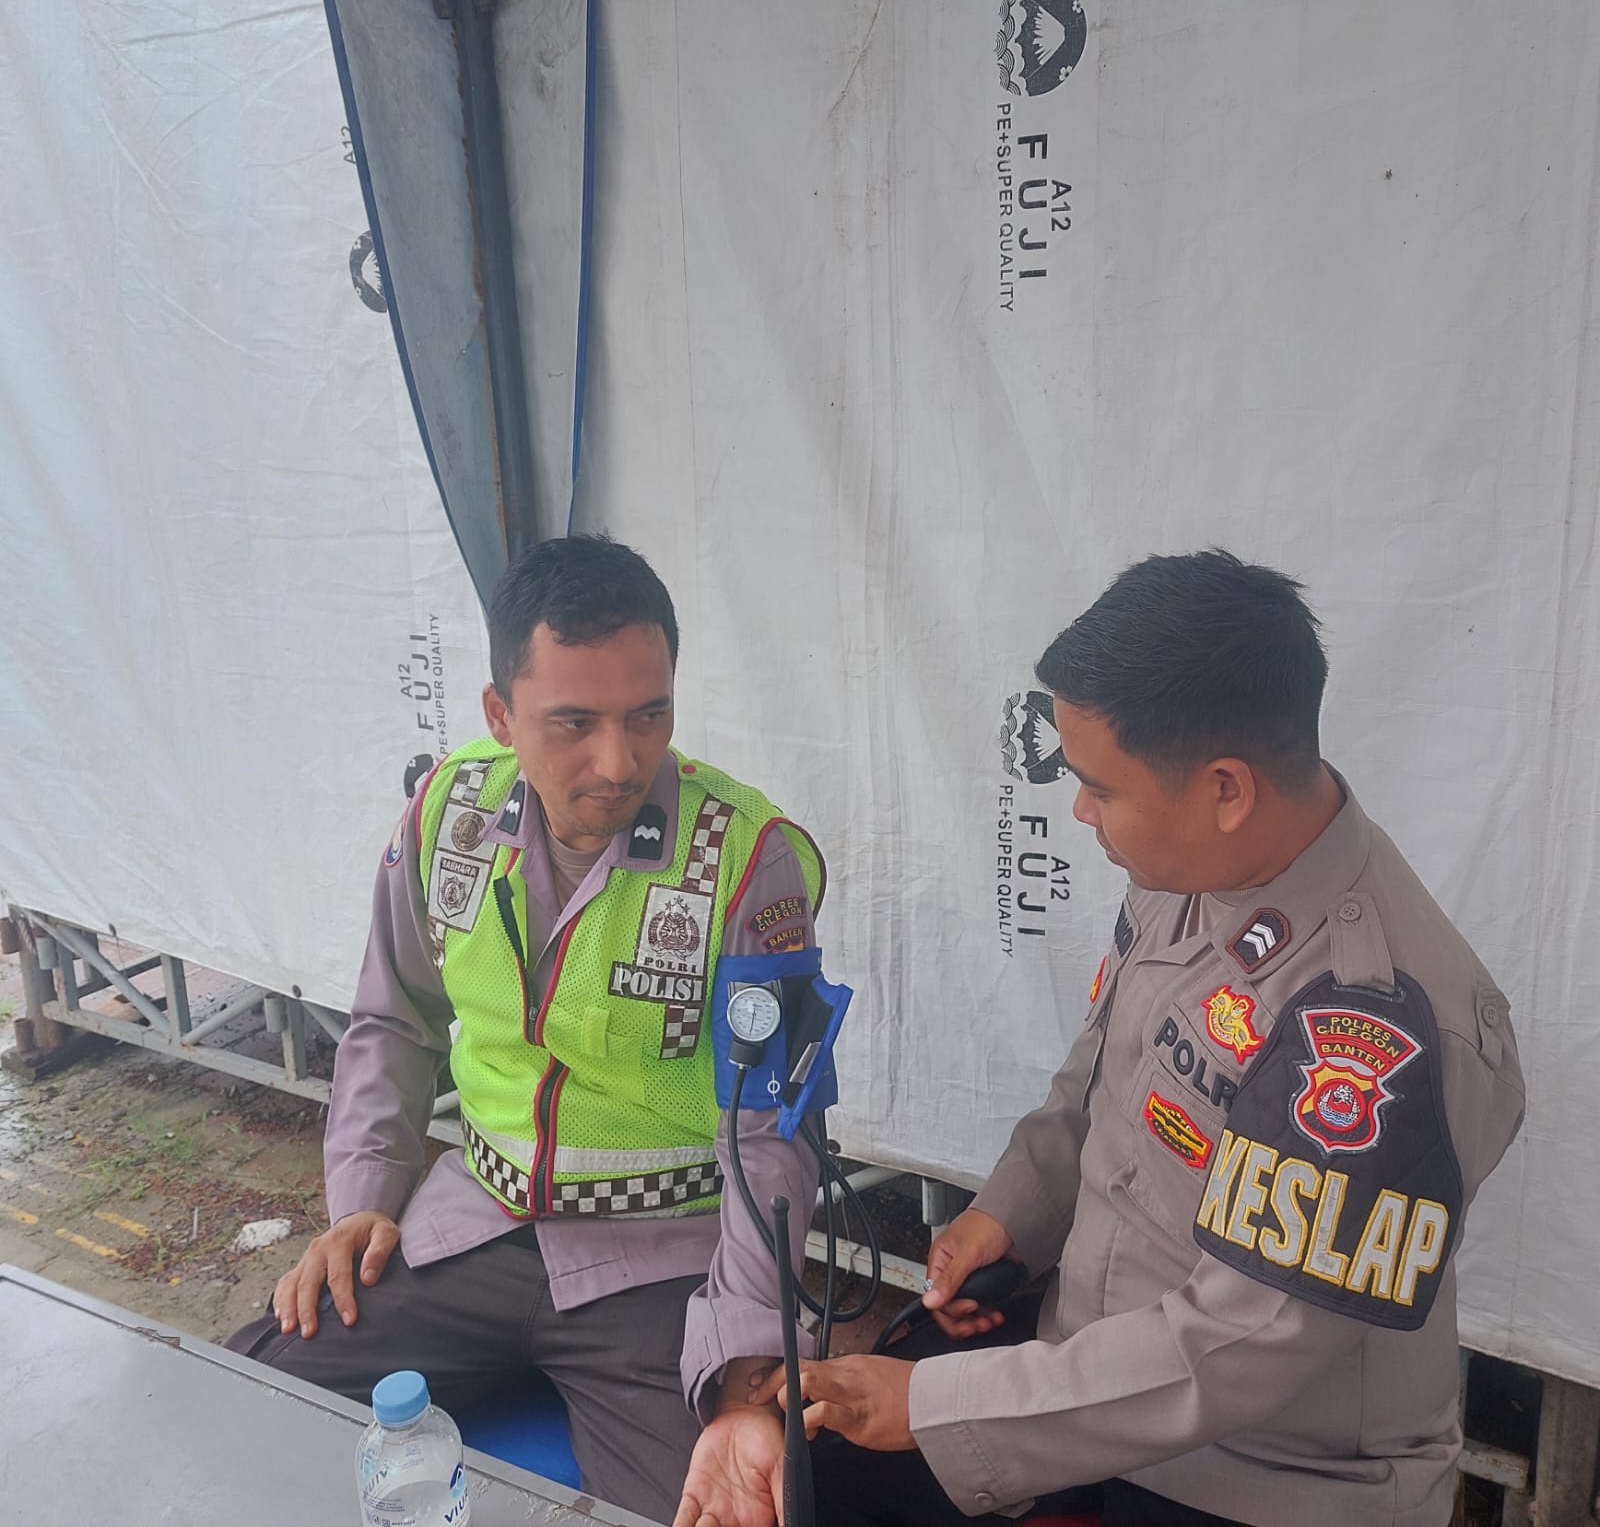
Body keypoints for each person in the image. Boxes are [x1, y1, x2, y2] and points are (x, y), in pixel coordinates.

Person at [769, 550, 1524, 1527]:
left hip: (1261, 1477)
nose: (1080, 810)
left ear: (1225, 788)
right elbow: (1099, 1079)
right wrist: (1013, 1212)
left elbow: (1240, 1346)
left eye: (1100, 786)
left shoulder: (1374, 1025)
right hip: (1081, 1364)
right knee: (804, 1483)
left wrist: (942, 1406)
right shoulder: (1194, 869)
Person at [227, 534, 830, 1526]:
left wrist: (741, 1352)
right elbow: (393, 1019)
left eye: (649, 715)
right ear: (499, 715)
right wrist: (361, 1202)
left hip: (664, 1268)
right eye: (573, 723)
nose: (619, 762)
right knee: (243, 1405)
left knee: (726, 1510)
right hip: (470, 1231)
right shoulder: (447, 814)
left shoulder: (744, 858)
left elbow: (773, 1134)